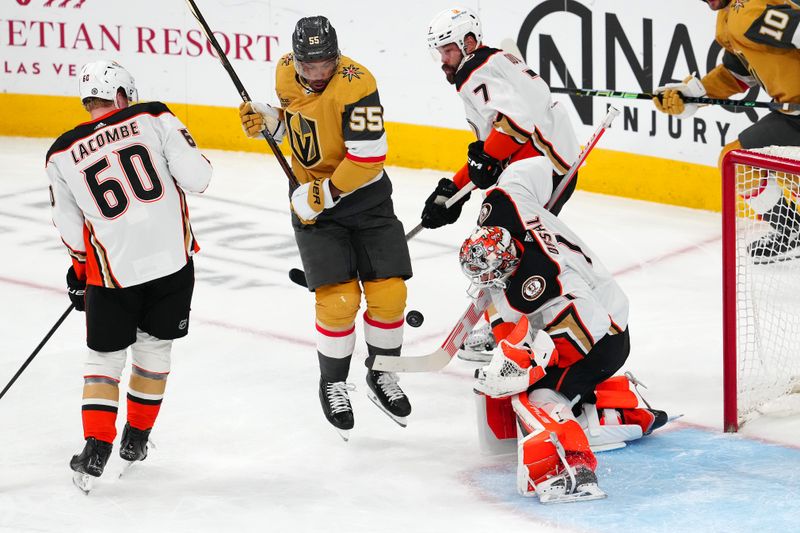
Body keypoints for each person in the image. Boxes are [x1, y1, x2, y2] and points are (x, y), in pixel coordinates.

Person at [238, 16, 413, 439]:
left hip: (366, 200)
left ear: (337, 57)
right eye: (309, 65)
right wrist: (272, 121)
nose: (317, 74)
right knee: (338, 301)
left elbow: (368, 159)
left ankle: (382, 373)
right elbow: (303, 132)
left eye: (326, 64)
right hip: (317, 204)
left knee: (389, 292)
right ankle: (333, 382)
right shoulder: (284, 73)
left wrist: (320, 194)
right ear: (296, 60)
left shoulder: (358, 84)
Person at [45, 60, 212, 491]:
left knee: (104, 358)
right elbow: (198, 178)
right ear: (122, 95)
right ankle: (136, 439)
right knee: (155, 349)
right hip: (172, 264)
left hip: (112, 273)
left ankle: (97, 446)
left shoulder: (61, 153)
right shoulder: (153, 116)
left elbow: (68, 225)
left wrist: (80, 270)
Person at [458, 171, 667, 503]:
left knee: (541, 397)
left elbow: (590, 325)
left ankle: (576, 470)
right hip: (593, 303)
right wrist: (511, 349)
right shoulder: (505, 202)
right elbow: (533, 166)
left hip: (606, 337)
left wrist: (531, 364)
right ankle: (615, 408)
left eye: (489, 276)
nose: (486, 282)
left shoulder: (541, 283)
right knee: (527, 381)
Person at [654, 0, 800, 263]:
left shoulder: (751, 8)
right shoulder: (728, 17)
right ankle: (792, 231)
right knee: (736, 161)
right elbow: (739, 75)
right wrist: (692, 95)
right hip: (791, 118)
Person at [419, 7, 581, 232]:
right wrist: (455, 188)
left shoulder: (472, 71)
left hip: (538, 173)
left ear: (468, 42)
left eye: (448, 50)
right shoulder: (497, 59)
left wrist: (485, 159)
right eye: (440, 52)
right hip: (554, 169)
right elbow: (503, 140)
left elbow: (516, 124)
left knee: (493, 244)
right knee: (512, 247)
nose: (443, 60)